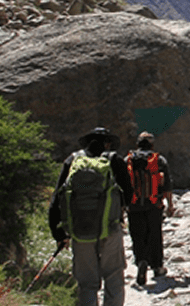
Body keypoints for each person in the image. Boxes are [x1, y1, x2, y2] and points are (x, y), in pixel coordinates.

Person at [49, 127, 133, 306]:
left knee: (86, 282)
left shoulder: (72, 160)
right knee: (113, 276)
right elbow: (129, 194)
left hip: (80, 230)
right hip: (110, 227)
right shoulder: (114, 160)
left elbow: (57, 198)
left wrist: (59, 235)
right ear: (107, 143)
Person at [125, 131, 174, 286]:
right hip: (154, 204)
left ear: (137, 144)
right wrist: (170, 205)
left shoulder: (128, 160)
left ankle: (141, 261)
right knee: (154, 235)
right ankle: (157, 267)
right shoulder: (159, 160)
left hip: (133, 205)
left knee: (137, 235)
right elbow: (167, 185)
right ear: (152, 145)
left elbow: (123, 185)